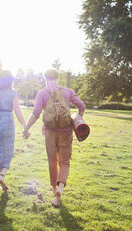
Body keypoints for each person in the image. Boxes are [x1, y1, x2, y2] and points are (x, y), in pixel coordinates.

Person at [23, 68, 85, 207]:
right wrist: (78, 119)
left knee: (52, 161)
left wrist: (26, 128)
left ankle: (53, 188)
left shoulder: (42, 93)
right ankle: (60, 190)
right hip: (66, 131)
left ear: (45, 79)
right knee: (64, 162)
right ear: (58, 77)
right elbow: (81, 105)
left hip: (50, 132)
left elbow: (36, 113)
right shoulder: (68, 91)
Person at [0, 70, 27, 191]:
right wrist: (24, 125)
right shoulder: (13, 93)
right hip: (8, 120)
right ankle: (2, 174)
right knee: (8, 148)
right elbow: (17, 110)